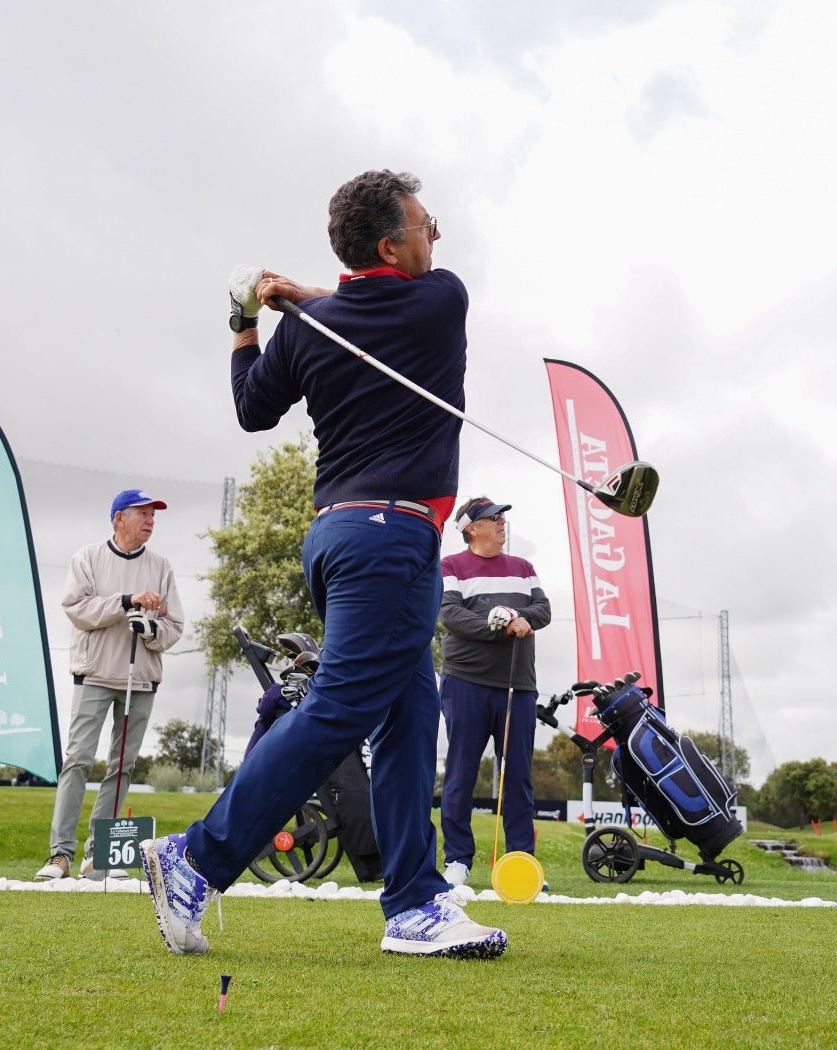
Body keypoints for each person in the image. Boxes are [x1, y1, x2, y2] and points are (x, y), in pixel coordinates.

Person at [141, 169, 507, 959]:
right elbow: (366, 308)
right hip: (390, 540)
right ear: (391, 244)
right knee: (338, 711)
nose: (435, 235)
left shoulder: (314, 327)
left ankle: (414, 903)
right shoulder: (442, 298)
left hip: (340, 539)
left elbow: (251, 408)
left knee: (411, 716)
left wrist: (244, 323)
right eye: (424, 224)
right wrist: (304, 299)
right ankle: (194, 859)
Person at [36, 488, 185, 881]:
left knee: (122, 767)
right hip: (95, 674)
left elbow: (175, 626)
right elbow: (77, 609)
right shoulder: (87, 558)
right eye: (143, 513)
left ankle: (98, 855)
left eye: (154, 515)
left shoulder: (162, 566)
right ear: (119, 517)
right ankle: (60, 855)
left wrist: (149, 629)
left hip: (140, 679)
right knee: (78, 760)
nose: (151, 520)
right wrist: (125, 602)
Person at [437, 496, 551, 887]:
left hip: (517, 685)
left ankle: (521, 862)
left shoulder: (524, 568)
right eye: (493, 517)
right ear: (471, 527)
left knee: (517, 775)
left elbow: (543, 610)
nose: (502, 522)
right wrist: (497, 625)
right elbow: (451, 614)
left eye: (502, 516)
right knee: (461, 772)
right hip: (465, 682)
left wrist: (521, 618)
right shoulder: (452, 566)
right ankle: (458, 861)